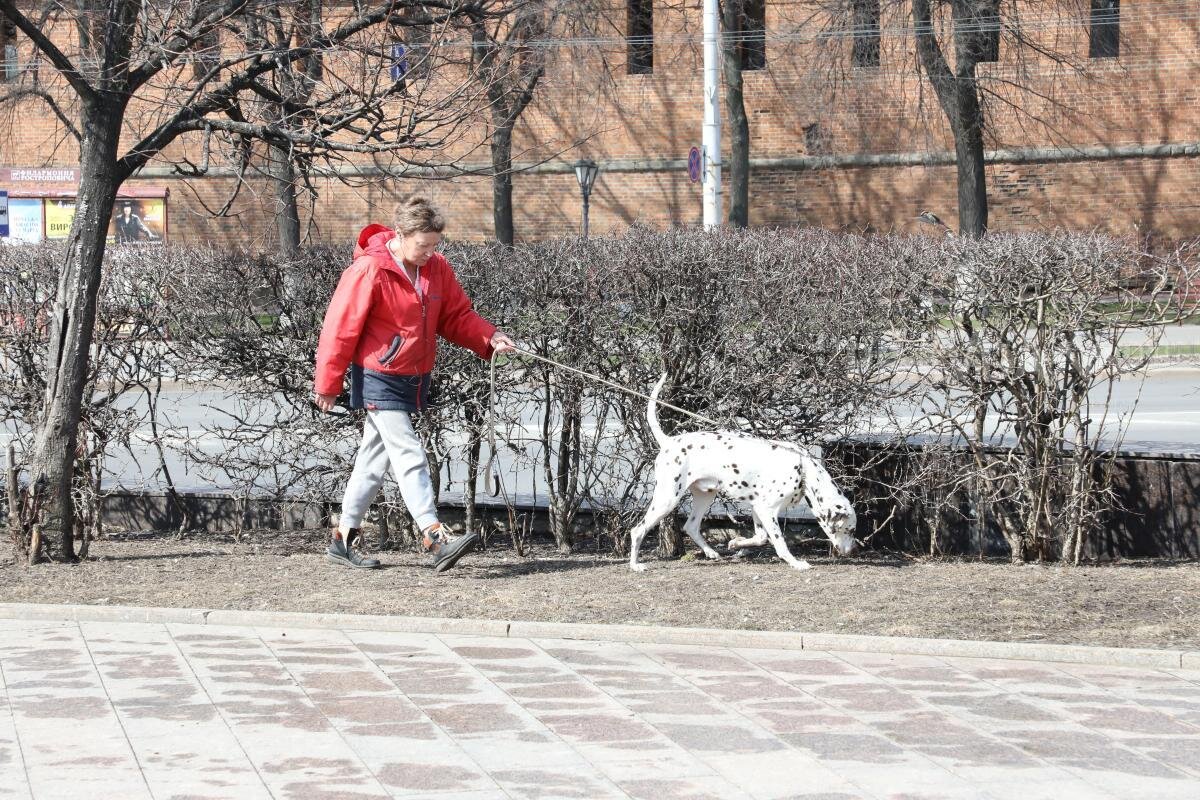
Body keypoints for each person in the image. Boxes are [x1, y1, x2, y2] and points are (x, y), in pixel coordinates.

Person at [313, 196, 515, 572]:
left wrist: (490, 337)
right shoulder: (369, 269)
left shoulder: (436, 268)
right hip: (378, 375)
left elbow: (457, 316)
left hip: (411, 377)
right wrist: (328, 381)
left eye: (435, 245)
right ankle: (434, 536)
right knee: (408, 452)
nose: (430, 253)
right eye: (423, 245)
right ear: (401, 235)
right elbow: (340, 327)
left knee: (372, 462)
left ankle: (343, 537)